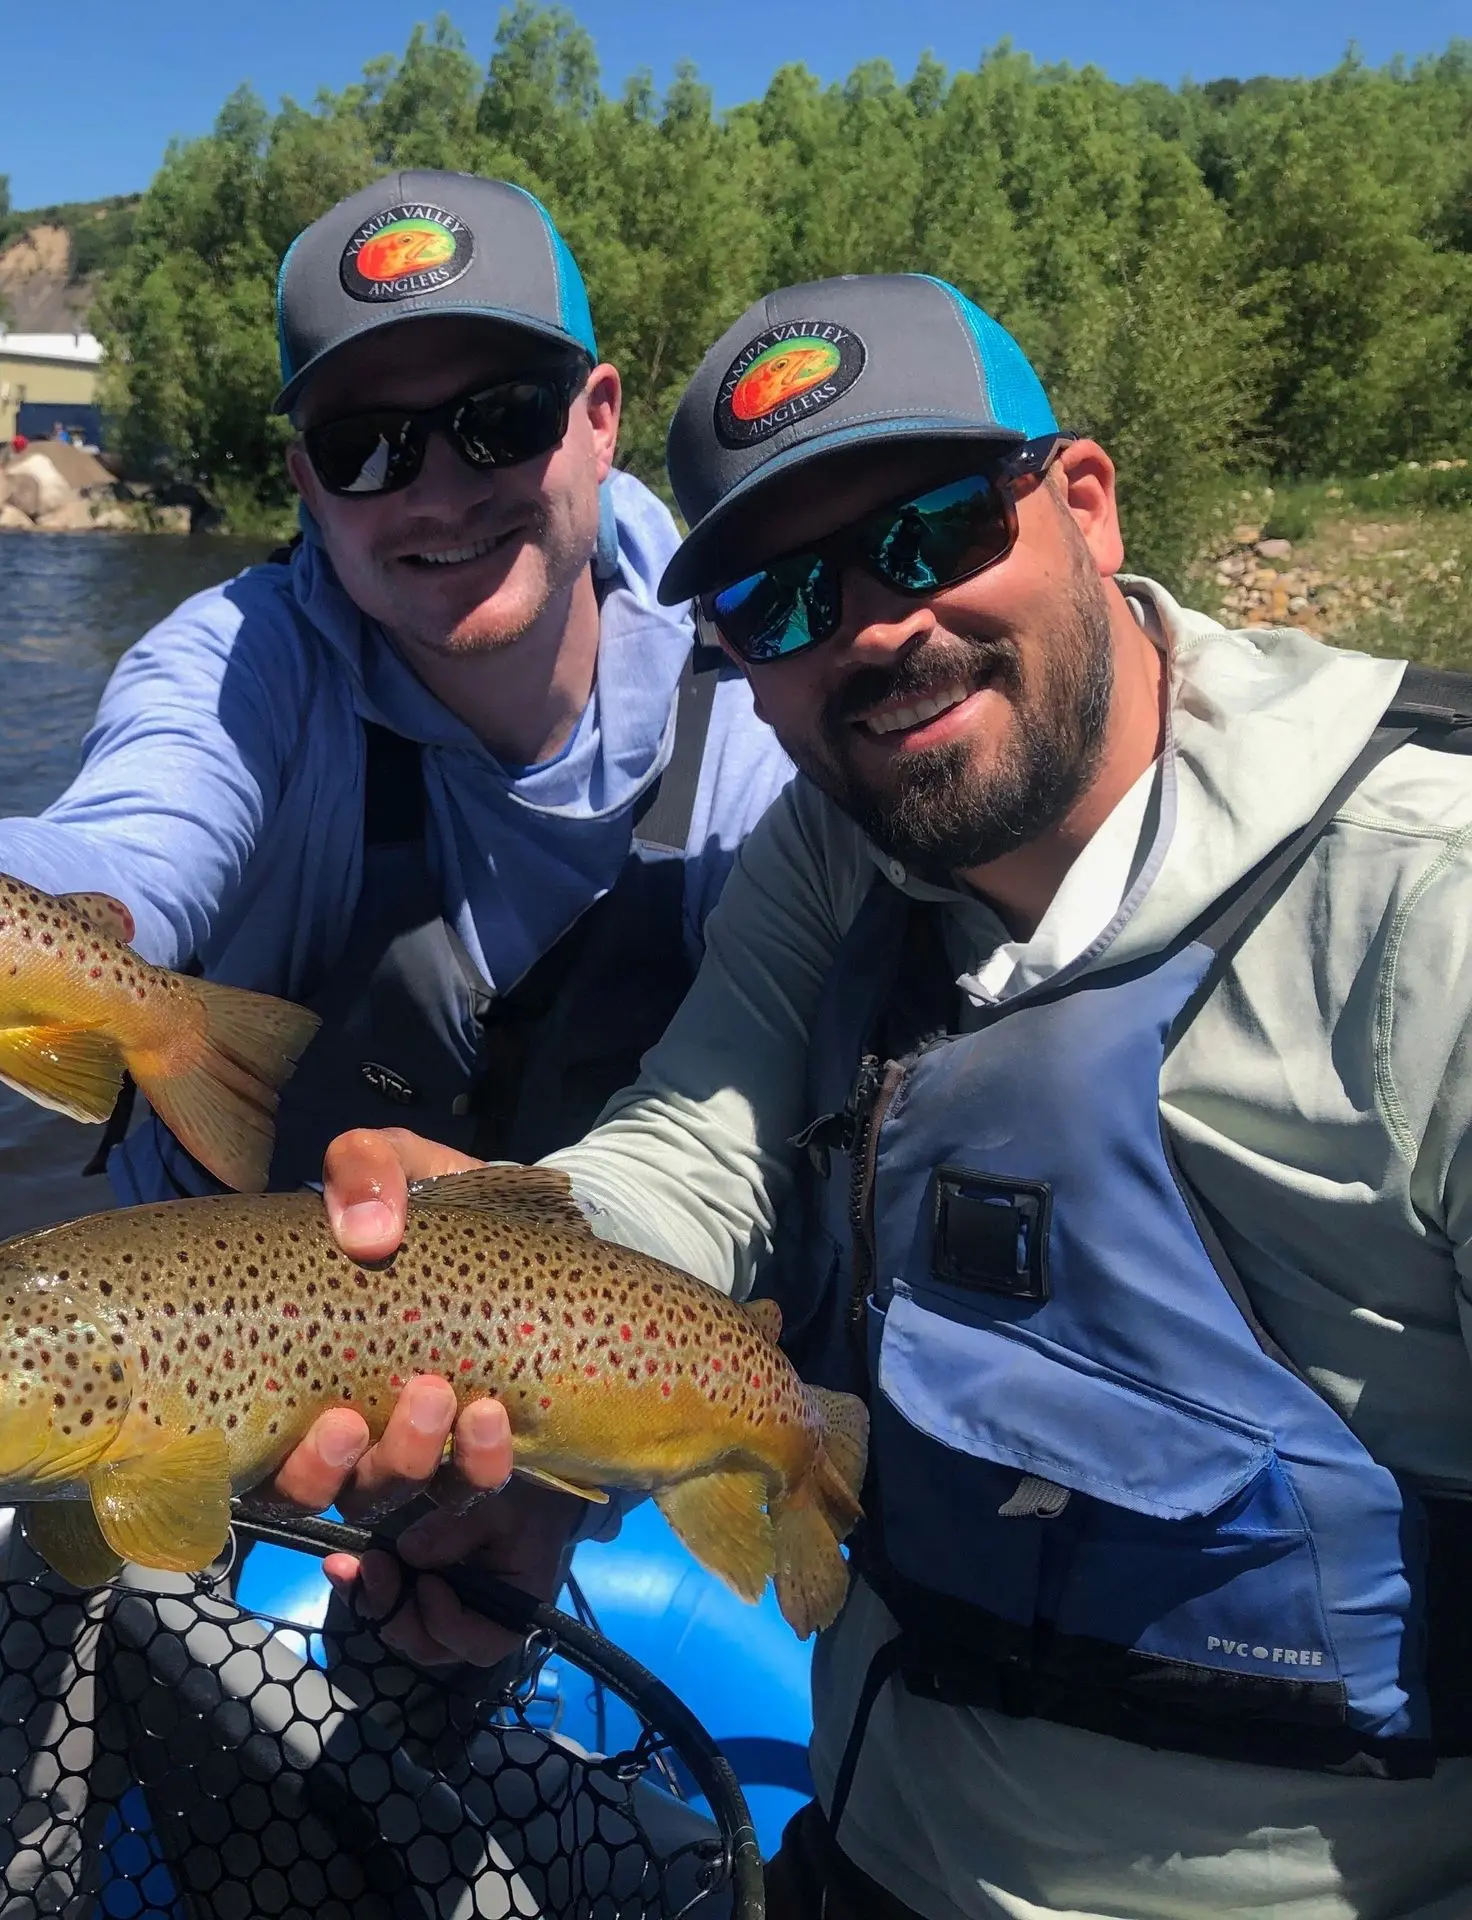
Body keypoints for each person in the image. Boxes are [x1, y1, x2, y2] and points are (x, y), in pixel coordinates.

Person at [299, 273, 1472, 1917]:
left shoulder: (1435, 911)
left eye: (928, 534)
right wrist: (489, 1283)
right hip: (863, 1866)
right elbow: (690, 1157)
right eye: (784, 601)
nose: (873, 625)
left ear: (1083, 501)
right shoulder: (838, 853)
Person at [0, 170, 793, 1226]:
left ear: (597, 422)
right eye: (364, 447)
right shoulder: (234, 662)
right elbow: (124, 856)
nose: (436, 491)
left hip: (597, 1358)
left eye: (500, 420)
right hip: (223, 1349)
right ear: (305, 489)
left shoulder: (764, 700)